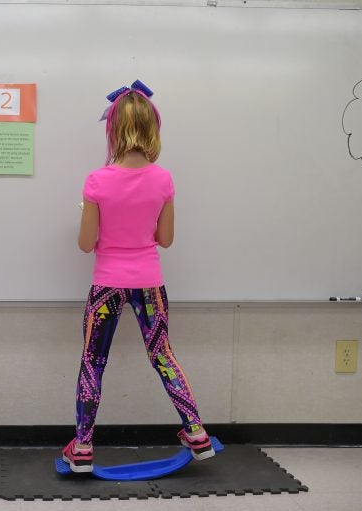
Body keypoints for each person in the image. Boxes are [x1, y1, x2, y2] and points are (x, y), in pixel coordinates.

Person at [61, 80, 214, 473]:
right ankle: (196, 432)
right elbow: (165, 240)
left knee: (93, 361)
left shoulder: (97, 181)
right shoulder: (163, 180)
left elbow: (85, 243)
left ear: (112, 130)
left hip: (107, 285)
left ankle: (81, 446)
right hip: (149, 283)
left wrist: (92, 215)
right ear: (151, 129)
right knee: (163, 355)